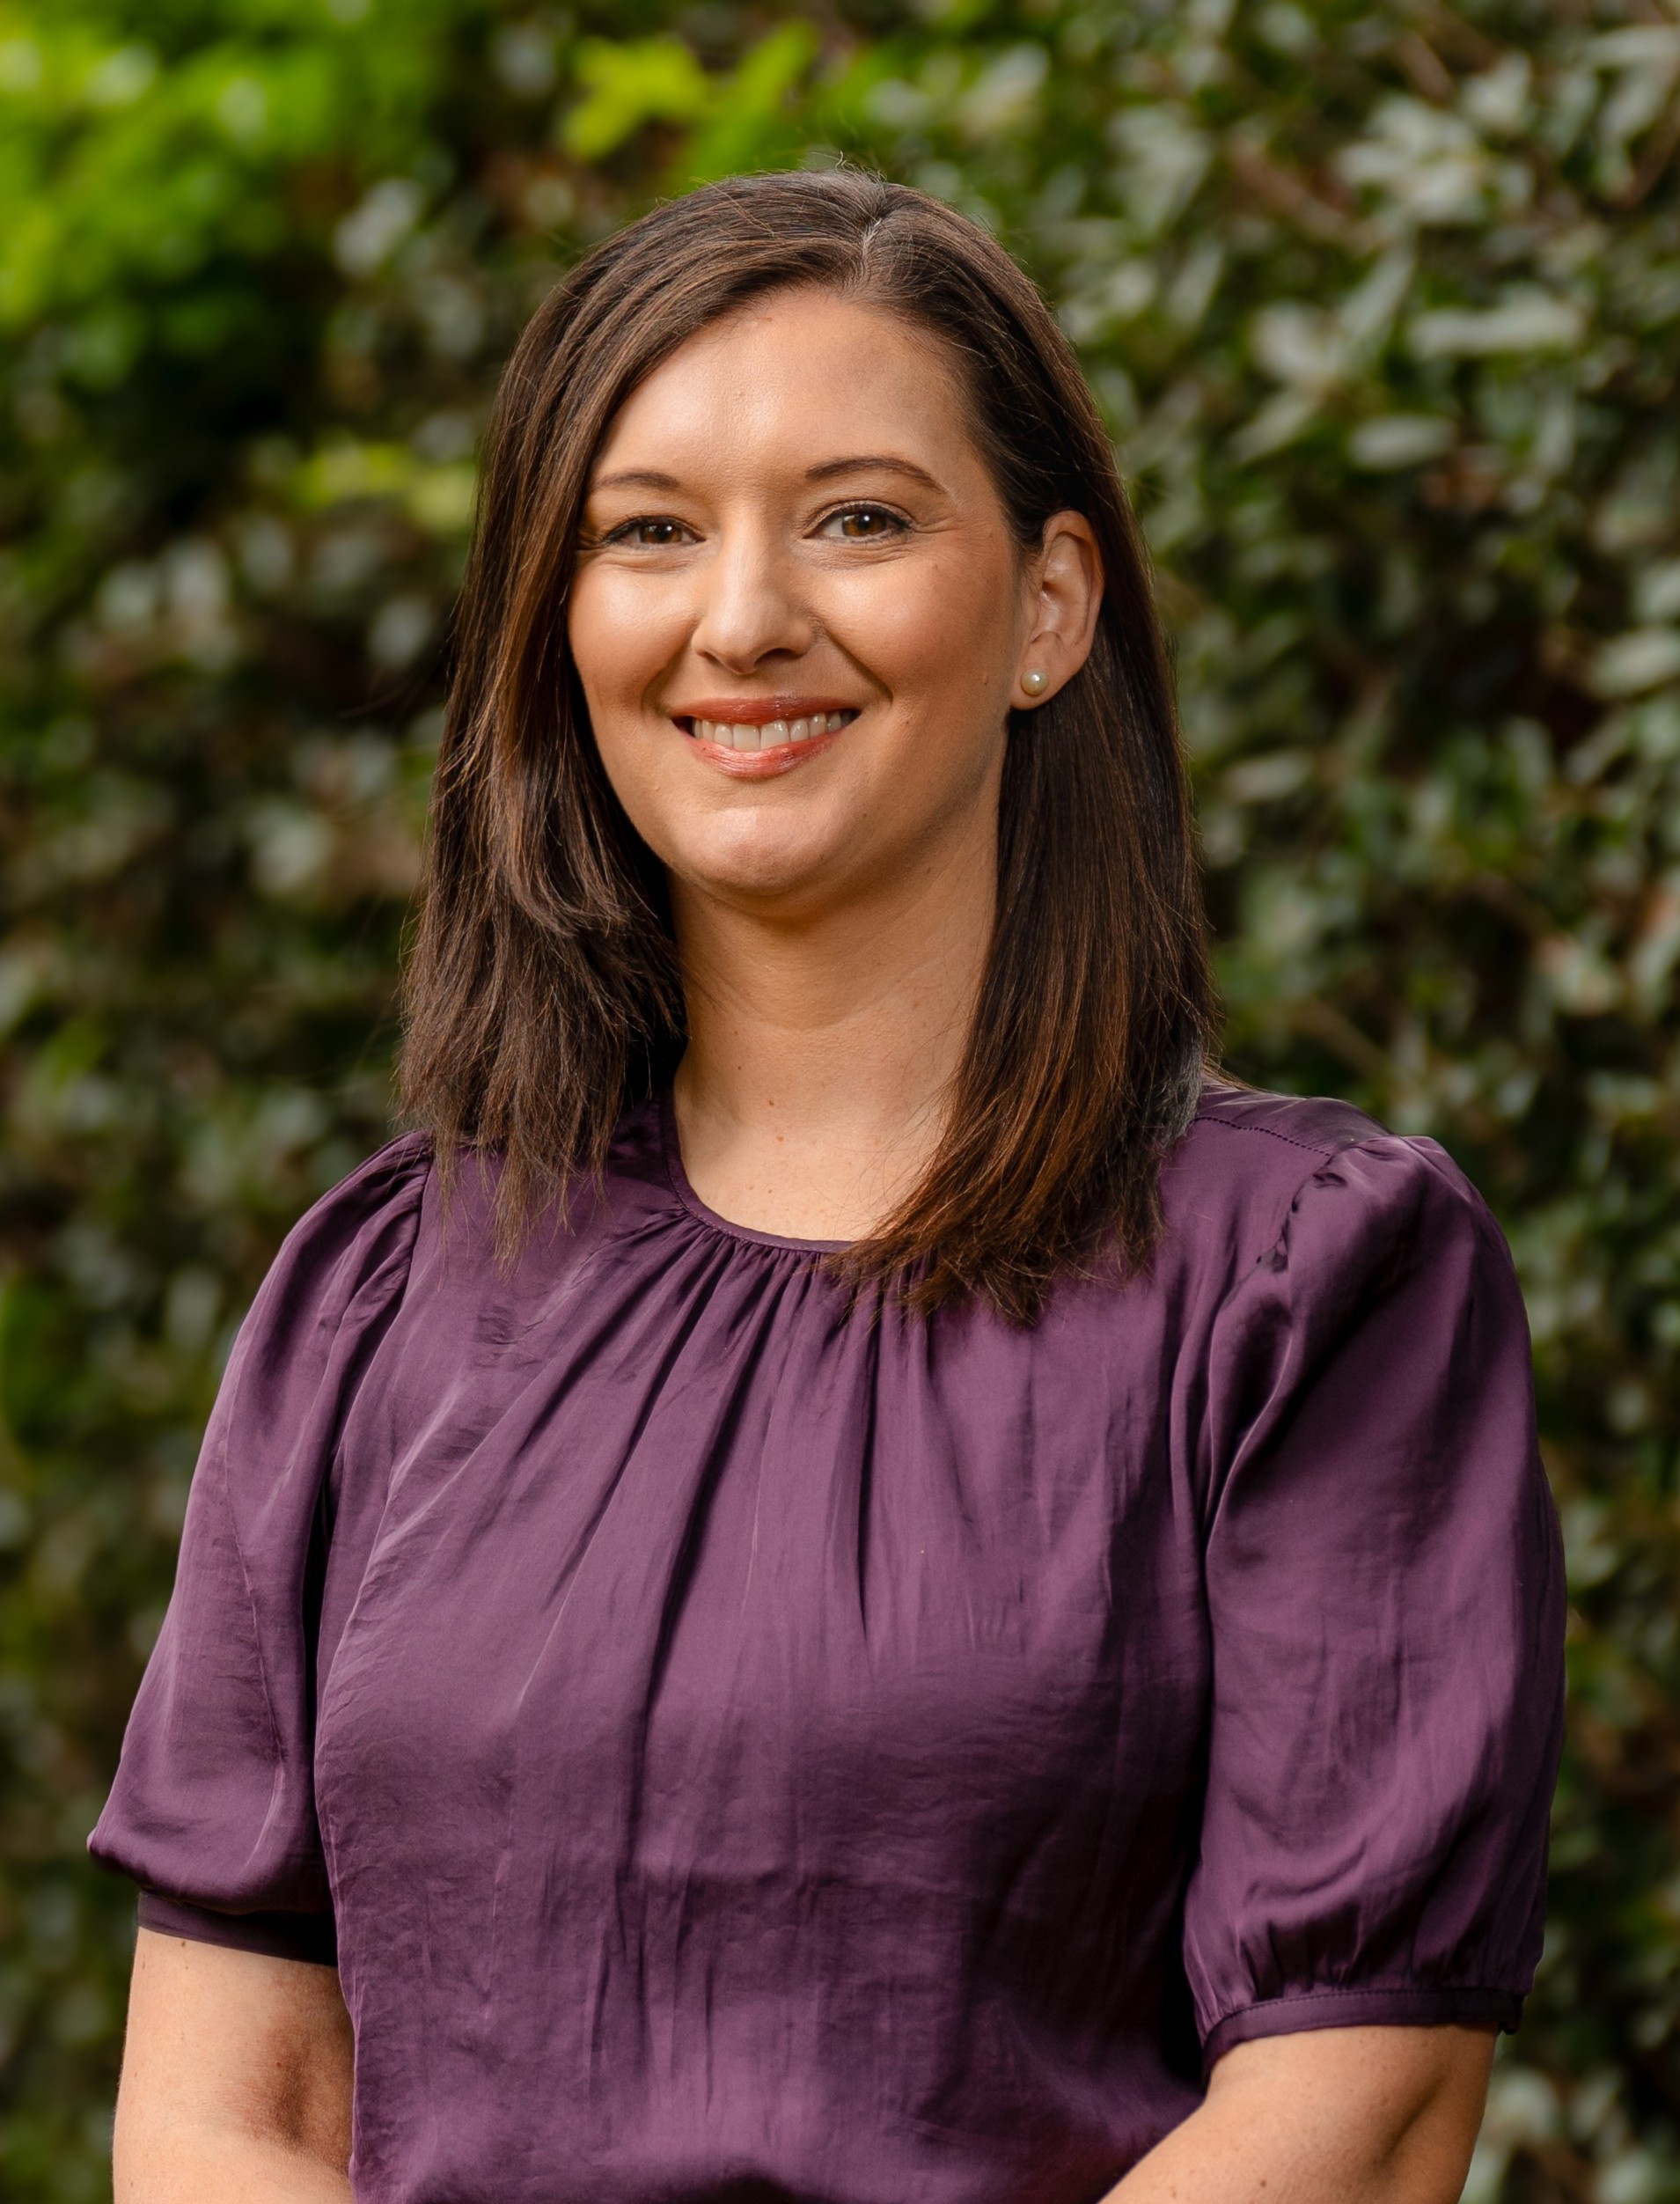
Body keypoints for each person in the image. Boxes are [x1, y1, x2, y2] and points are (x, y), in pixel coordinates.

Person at [93, 169, 1564, 2204]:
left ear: (1050, 606)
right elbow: (217, 2113)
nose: (742, 616)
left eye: (857, 516)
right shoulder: (377, 1297)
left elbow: (1354, 2111)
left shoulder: (1313, 1282)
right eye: (646, 531)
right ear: (559, 618)